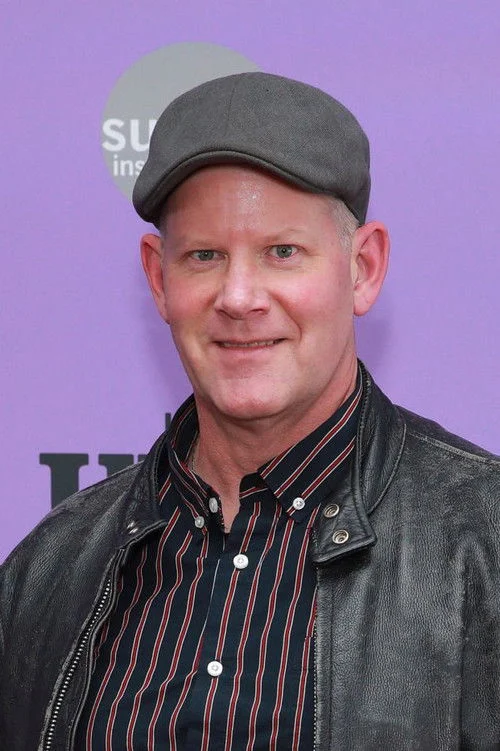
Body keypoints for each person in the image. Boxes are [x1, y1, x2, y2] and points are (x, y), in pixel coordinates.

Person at [0, 72, 499, 751]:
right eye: (204, 255)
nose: (239, 297)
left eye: (282, 252)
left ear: (363, 268)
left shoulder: (484, 539)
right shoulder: (49, 569)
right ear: (159, 278)